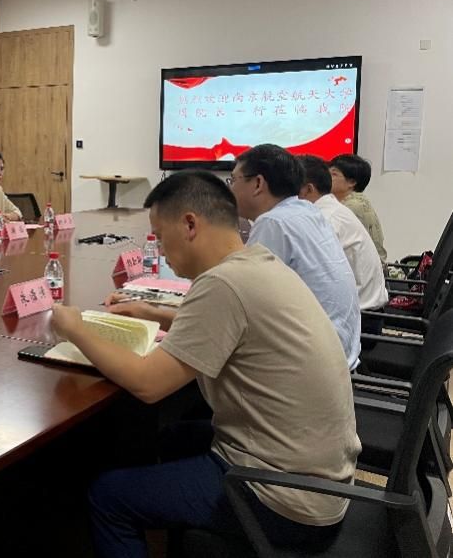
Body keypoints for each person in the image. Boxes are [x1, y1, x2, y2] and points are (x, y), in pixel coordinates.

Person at [52, 170, 360, 558]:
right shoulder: (256, 262)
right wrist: (151, 311)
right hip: (320, 479)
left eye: (160, 236)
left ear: (190, 224)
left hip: (283, 498)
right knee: (168, 439)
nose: (160, 249)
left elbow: (148, 384)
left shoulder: (222, 284)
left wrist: (75, 329)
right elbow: (228, 325)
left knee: (108, 496)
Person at [229, 144, 361, 370]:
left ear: (258, 183)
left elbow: (240, 299)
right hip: (339, 350)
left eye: (233, 180)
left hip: (315, 365)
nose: (230, 188)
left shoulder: (274, 222)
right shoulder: (307, 211)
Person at [298, 155, 388, 328]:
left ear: (308, 189)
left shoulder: (327, 218)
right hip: (363, 310)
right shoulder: (333, 208)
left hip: (359, 320)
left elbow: (312, 277)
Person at [329, 154, 387, 262]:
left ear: (351, 182)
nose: (326, 177)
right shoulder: (358, 201)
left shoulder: (351, 207)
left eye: (333, 174)